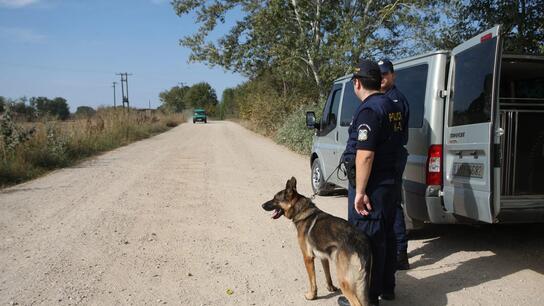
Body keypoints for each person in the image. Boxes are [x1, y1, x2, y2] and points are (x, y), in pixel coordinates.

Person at [338, 59, 405, 306]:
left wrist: (361, 192)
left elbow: (365, 155)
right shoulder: (391, 104)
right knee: (385, 236)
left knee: (367, 242)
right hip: (388, 183)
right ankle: (387, 287)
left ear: (357, 83)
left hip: (372, 188)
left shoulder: (369, 110)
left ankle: (367, 297)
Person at [378, 59, 411, 271]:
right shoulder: (383, 97)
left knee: (393, 203)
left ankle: (400, 253)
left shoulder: (395, 100)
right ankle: (391, 250)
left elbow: (393, 136)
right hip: (388, 157)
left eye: (385, 74)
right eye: (379, 74)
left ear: (393, 75)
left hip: (393, 158)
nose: (382, 78)